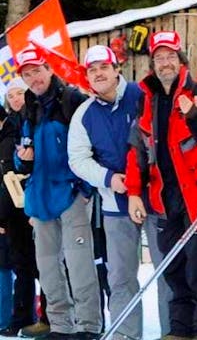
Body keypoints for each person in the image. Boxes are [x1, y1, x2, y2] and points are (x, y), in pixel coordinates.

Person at [125, 31, 197, 340]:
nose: (165, 63)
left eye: (170, 56)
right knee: (173, 269)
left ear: (181, 59)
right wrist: (133, 193)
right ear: (153, 63)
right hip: (163, 198)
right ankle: (179, 330)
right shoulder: (146, 100)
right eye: (159, 57)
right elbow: (136, 151)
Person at [67, 45, 159, 340]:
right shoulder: (85, 113)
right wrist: (108, 178)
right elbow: (78, 159)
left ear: (116, 68)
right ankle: (125, 334)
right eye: (92, 70)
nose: (98, 74)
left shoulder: (141, 95)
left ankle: (175, 332)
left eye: (103, 67)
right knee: (120, 276)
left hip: (157, 197)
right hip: (115, 202)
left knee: (168, 270)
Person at [14, 46, 102, 339]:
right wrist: (21, 158)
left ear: (49, 69)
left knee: (79, 263)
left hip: (71, 192)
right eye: (27, 74)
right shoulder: (29, 106)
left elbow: (94, 146)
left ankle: (88, 325)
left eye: (37, 71)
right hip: (40, 197)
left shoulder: (71, 99)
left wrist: (87, 188)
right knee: (47, 267)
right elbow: (22, 152)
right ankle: (61, 325)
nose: (34, 78)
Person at [0, 77, 49, 338]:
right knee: (22, 265)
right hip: (14, 206)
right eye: (11, 96)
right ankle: (23, 317)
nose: (16, 99)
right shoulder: (11, 125)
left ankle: (49, 316)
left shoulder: (36, 118)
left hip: (37, 200)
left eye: (20, 93)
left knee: (46, 264)